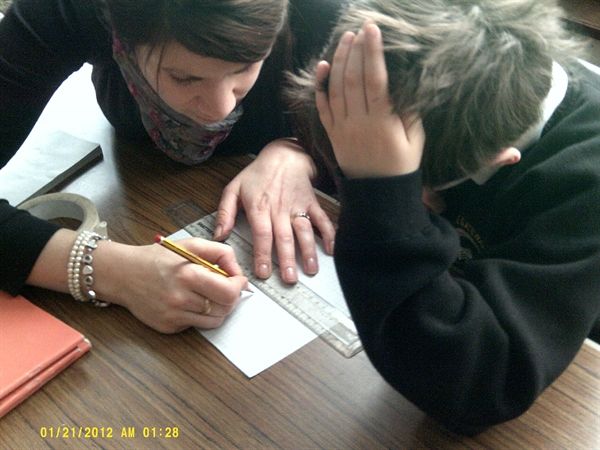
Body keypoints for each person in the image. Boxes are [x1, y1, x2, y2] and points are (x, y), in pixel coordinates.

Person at [287, 0, 600, 435]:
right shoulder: (454, 101)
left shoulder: (585, 185)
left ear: (499, 160)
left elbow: (480, 386)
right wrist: (288, 154)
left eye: (420, 193)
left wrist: (384, 198)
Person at [0, 0, 343, 333]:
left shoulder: (324, 16)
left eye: (245, 68)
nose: (220, 108)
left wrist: (304, 150)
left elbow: (377, 169)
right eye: (184, 78)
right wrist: (110, 271)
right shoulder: (68, 9)